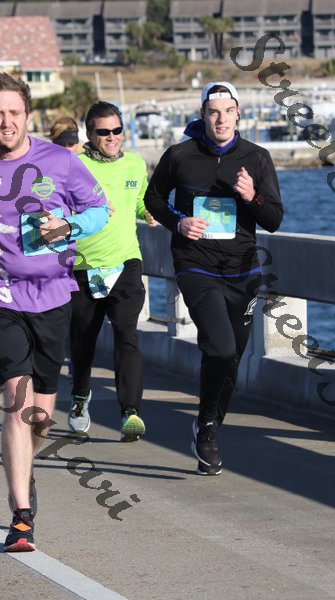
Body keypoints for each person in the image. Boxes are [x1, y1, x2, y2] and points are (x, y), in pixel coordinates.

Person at [144, 81, 283, 475]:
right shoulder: (180, 155)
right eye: (213, 112)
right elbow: (153, 198)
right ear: (202, 115)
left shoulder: (257, 157)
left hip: (243, 271)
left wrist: (252, 196)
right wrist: (178, 222)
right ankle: (207, 428)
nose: (220, 119)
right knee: (219, 348)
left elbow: (274, 219)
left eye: (227, 111)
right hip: (196, 266)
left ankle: (208, 425)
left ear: (238, 114)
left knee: (232, 356)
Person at [0, 72, 109, 552]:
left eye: (13, 112)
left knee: (41, 417)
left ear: (28, 115)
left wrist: (68, 225)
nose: (5, 122)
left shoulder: (60, 161)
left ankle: (23, 466)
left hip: (54, 297)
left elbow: (99, 210)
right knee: (17, 401)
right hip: (3, 300)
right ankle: (21, 516)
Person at [68, 101, 156, 443]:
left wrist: (150, 211)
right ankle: (80, 398)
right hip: (84, 265)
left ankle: (130, 411)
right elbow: (57, 207)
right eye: (103, 132)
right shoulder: (75, 166)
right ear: (90, 134)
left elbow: (141, 199)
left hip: (125, 263)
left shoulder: (135, 163)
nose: (112, 137)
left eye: (117, 130)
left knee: (126, 333)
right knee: (83, 340)